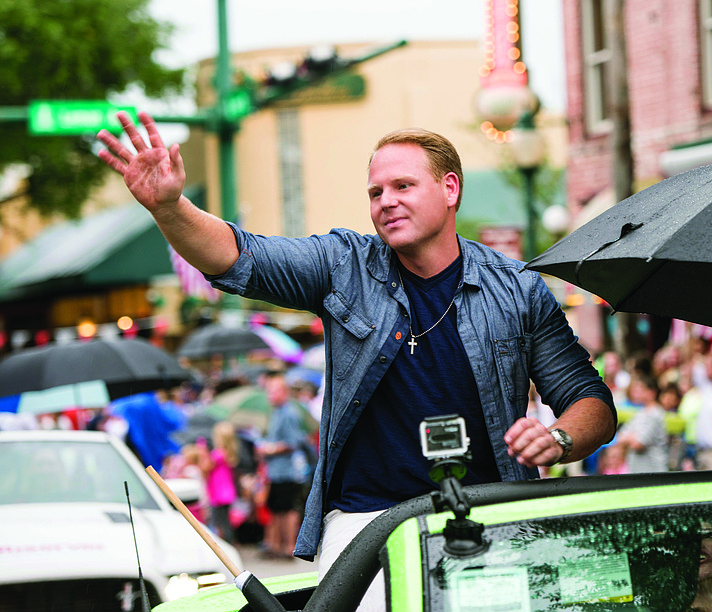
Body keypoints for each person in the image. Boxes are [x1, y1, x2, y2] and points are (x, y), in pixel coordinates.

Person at [96, 113, 616, 600]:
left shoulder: (518, 290)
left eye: (402, 186)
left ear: (450, 188)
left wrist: (557, 437)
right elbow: (239, 256)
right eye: (375, 192)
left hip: (489, 516)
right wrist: (170, 208)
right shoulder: (343, 264)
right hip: (365, 522)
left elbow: (591, 401)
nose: (385, 200)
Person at [256, 372, 313, 558]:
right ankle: (277, 545)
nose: (269, 396)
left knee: (288, 509)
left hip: (288, 471)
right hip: (276, 471)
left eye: (272, 392)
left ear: (284, 392)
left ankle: (289, 547)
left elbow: (293, 442)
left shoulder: (289, 413)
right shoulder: (277, 412)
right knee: (276, 509)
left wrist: (270, 449)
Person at [615, 373, 668, 473]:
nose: (636, 392)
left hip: (654, 474)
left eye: (640, 388)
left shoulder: (655, 414)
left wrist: (629, 438)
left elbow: (638, 444)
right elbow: (619, 439)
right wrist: (631, 438)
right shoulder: (640, 413)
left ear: (652, 392)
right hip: (638, 473)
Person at [198, 422, 240, 543]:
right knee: (225, 521)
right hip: (227, 493)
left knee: (219, 523)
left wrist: (202, 450)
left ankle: (226, 545)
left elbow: (205, 467)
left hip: (218, 494)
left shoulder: (218, 454)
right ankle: (230, 542)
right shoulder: (229, 454)